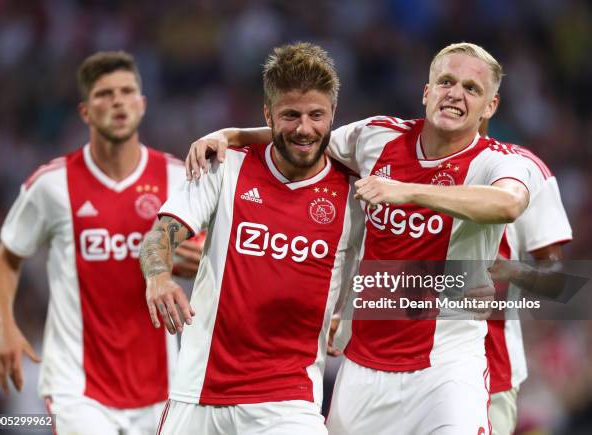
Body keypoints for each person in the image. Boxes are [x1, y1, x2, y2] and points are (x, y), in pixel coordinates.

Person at [184, 42, 541, 434]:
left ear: (490, 106)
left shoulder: (499, 161)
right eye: (446, 82)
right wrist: (230, 134)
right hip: (362, 371)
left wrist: (407, 191)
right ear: (427, 92)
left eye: (472, 89)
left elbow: (508, 203)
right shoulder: (377, 136)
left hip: (446, 367)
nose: (455, 93)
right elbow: (306, 136)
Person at [140, 42, 365, 435]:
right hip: (199, 392)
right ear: (268, 115)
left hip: (287, 401)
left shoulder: (355, 194)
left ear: (333, 115)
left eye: (316, 115)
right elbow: (158, 236)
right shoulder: (225, 167)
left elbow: (385, 266)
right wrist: (158, 277)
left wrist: (345, 314)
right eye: (290, 115)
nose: (304, 128)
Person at [0, 51, 193, 435]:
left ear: (142, 104)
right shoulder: (51, 184)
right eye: (104, 93)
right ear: (85, 111)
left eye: (127, 91)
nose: (117, 101)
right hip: (76, 387)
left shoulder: (177, 178)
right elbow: (6, 257)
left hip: (162, 387)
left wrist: (192, 259)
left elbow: (215, 253)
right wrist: (4, 325)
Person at [479, 120, 572, 435]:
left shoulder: (528, 173)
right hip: (417, 362)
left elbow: (559, 282)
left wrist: (513, 271)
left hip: (495, 371)